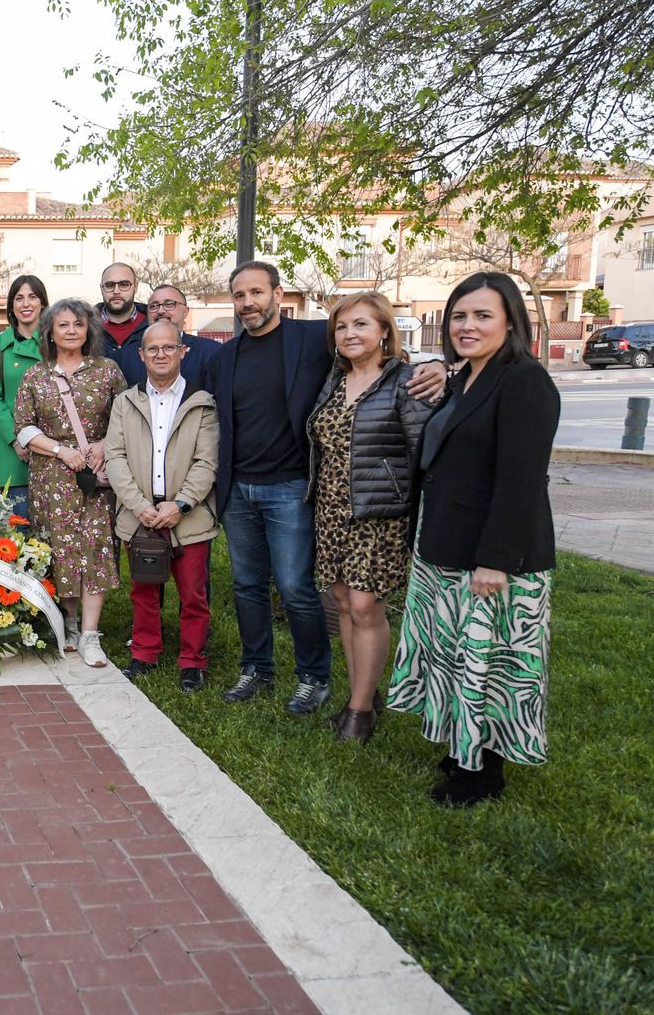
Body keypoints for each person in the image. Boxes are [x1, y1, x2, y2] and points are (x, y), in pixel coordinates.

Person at [206, 260, 446, 714]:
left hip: (291, 487)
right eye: (239, 295)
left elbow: (377, 352)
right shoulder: (224, 357)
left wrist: (440, 365)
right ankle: (256, 668)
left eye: (256, 292)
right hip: (238, 489)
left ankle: (313, 676)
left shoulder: (316, 337)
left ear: (278, 295)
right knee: (246, 586)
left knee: (296, 588)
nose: (248, 303)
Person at [389, 272, 559, 806]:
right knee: (455, 656)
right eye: (459, 316)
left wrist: (496, 560)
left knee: (488, 663)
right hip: (446, 544)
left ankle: (482, 774)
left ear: (511, 321)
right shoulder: (464, 378)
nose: (467, 326)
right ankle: (462, 745)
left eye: (483, 315)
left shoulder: (524, 382)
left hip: (492, 557)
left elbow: (521, 480)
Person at [305, 292, 435, 743]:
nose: (349, 334)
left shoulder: (406, 381)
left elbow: (423, 450)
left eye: (360, 324)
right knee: (342, 601)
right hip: (331, 508)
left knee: (365, 605)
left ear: (384, 330)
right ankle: (364, 691)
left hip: (378, 513)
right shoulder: (333, 380)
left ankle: (359, 713)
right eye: (341, 327)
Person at [103, 321, 220, 692]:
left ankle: (192, 662)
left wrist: (180, 504)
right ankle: (145, 653)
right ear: (141, 355)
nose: (161, 354)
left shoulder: (202, 403)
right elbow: (115, 457)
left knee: (193, 595)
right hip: (140, 516)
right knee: (143, 592)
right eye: (153, 349)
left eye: (169, 347)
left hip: (189, 517)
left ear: (182, 351)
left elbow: (207, 462)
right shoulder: (125, 402)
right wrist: (139, 507)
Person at [13, 298, 126, 668]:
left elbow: (126, 419)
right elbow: (23, 429)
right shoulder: (36, 376)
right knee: (60, 550)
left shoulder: (107, 371)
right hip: (52, 480)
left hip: (96, 480)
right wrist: (61, 451)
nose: (72, 331)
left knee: (96, 550)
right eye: (63, 325)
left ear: (89, 330)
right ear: (50, 332)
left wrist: (104, 444)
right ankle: (70, 624)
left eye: (78, 324)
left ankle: (91, 635)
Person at [0, 274, 48, 520]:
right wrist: (16, 440)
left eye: (33, 297)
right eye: (19, 298)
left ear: (43, 303)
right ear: (12, 305)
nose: (26, 304)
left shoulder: (55, 342)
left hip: (53, 446)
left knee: (54, 528)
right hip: (14, 449)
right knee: (19, 527)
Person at [113, 284, 222, 388]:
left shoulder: (211, 352)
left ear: (185, 311)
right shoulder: (125, 356)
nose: (160, 311)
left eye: (169, 304)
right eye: (153, 306)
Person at [96, 261, 147, 358]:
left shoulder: (153, 326)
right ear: (101, 289)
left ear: (136, 287)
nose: (116, 291)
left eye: (124, 284)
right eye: (109, 285)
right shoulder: (86, 328)